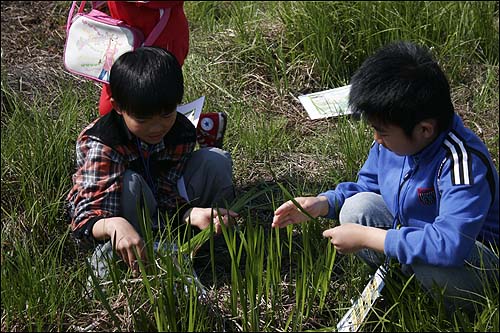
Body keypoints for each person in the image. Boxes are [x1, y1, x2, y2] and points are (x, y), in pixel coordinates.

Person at [272, 41, 499, 313]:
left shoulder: (461, 162)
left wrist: (367, 237)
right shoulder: (393, 143)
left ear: (425, 129)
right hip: (417, 241)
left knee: (432, 260)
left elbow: (449, 245)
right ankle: (404, 282)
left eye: (382, 131)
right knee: (356, 208)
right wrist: (324, 203)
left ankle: (447, 304)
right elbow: (367, 187)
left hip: (473, 265)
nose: (376, 139)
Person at [67, 47, 237, 279]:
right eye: (143, 119)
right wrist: (112, 225)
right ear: (118, 107)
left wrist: (190, 213)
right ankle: (138, 258)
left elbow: (168, 189)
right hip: (119, 218)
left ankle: (211, 238)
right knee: (131, 183)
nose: (157, 128)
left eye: (166, 115)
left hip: (157, 209)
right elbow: (84, 220)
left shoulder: (181, 131)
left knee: (215, 161)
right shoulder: (102, 143)